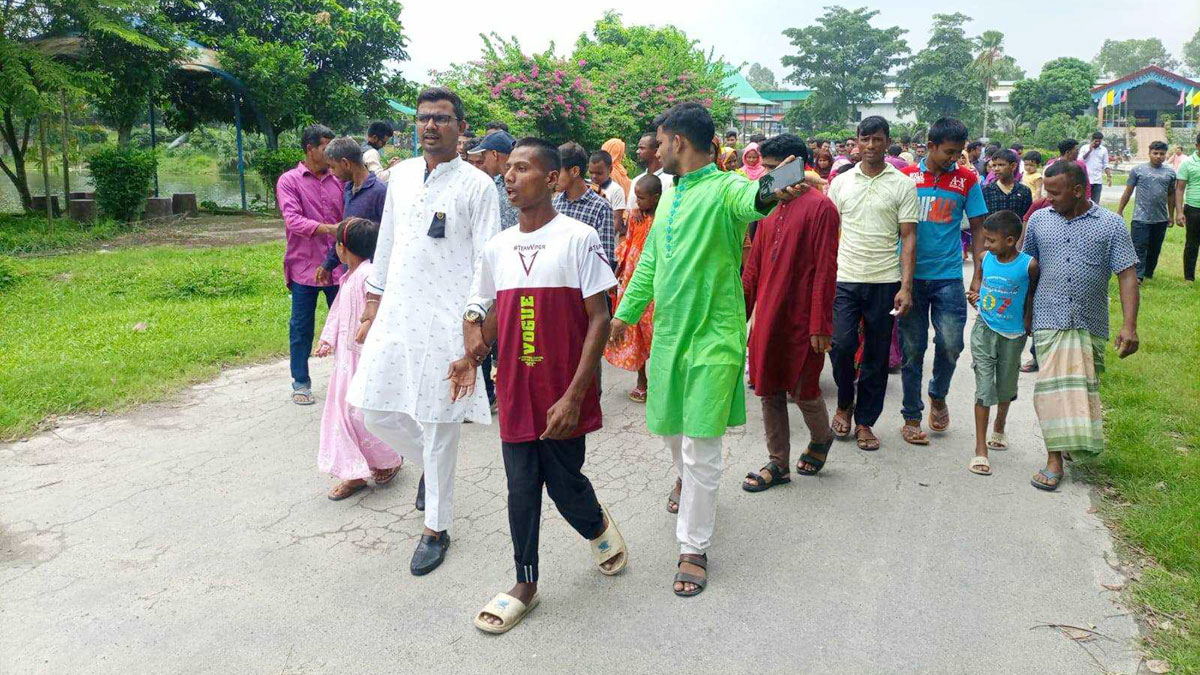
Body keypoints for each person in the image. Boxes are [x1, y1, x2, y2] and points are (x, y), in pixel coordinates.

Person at [610, 102, 806, 596]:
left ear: (677, 141)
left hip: (715, 336)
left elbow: (754, 197)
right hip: (670, 336)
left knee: (701, 443)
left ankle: (693, 547)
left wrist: (779, 183)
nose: (655, 150)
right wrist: (624, 315)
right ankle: (690, 481)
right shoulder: (670, 195)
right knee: (671, 430)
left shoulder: (724, 187)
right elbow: (650, 263)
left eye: (659, 141)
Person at [457, 137, 628, 635]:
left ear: (552, 179)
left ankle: (594, 522)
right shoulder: (498, 246)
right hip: (516, 389)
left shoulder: (578, 238)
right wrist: (471, 354)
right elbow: (494, 311)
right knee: (522, 486)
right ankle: (524, 583)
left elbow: (599, 318)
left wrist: (574, 395)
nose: (509, 177)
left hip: (562, 390)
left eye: (522, 168)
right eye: (507, 169)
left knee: (564, 484)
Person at [349, 87, 500, 576]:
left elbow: (487, 259)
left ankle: (437, 528)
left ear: (461, 128)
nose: (430, 125)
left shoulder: (478, 186)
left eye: (441, 118)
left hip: (447, 321)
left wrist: (475, 319)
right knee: (374, 410)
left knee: (439, 425)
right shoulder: (401, 176)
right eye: (423, 118)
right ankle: (432, 475)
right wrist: (372, 304)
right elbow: (387, 243)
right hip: (398, 313)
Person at [1024, 160, 1138, 491]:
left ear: (1077, 190)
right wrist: (1024, 314)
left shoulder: (1111, 224)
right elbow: (1027, 269)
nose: (1047, 198)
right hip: (1048, 317)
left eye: (1055, 193)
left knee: (1081, 390)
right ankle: (1053, 459)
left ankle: (1068, 441)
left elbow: (1127, 274)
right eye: (1046, 191)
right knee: (1051, 392)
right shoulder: (1039, 221)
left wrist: (1129, 326)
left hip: (1091, 321)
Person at [741, 134, 839, 489]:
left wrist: (820, 324)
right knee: (767, 387)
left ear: (795, 165)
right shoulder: (766, 208)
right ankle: (777, 462)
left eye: (773, 168)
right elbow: (754, 265)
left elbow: (826, 269)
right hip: (769, 313)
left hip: (802, 316)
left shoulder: (821, 208)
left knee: (804, 388)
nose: (766, 176)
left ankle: (821, 437)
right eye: (764, 168)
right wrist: (740, 313)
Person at [827, 115, 918, 453]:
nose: (870, 146)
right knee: (841, 345)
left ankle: (865, 421)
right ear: (857, 141)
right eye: (864, 139)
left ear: (887, 142)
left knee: (877, 356)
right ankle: (844, 404)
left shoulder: (902, 184)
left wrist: (905, 286)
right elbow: (829, 232)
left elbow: (908, 238)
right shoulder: (841, 182)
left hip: (884, 280)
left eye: (877, 139)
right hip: (845, 278)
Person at [896, 118, 986, 446]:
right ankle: (911, 416)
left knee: (951, 344)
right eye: (949, 152)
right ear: (930, 146)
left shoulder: (967, 180)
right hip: (910, 277)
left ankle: (938, 393)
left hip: (948, 277)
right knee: (912, 349)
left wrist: (978, 274)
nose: (954, 158)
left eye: (959, 152)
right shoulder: (906, 177)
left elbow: (978, 227)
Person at [315, 217, 404, 500]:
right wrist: (328, 339)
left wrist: (369, 325)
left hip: (365, 359)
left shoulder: (369, 275)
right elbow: (338, 312)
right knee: (343, 414)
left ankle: (387, 460)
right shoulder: (348, 278)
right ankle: (354, 473)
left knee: (360, 414)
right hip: (345, 361)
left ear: (342, 248)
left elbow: (385, 309)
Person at [964, 211, 1038, 476]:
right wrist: (975, 296)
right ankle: (980, 449)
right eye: (985, 239)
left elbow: (1031, 297)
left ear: (1010, 240)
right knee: (984, 387)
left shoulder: (1029, 266)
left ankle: (1000, 425)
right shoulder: (984, 258)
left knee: (1005, 386)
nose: (985, 245)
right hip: (984, 330)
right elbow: (978, 285)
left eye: (991, 240)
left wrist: (1028, 322)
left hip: (1013, 335)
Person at [277, 124, 343, 406]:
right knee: (301, 327)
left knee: (345, 324)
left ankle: (346, 381)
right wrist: (330, 229)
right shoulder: (289, 181)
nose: (331, 154)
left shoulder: (339, 178)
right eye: (326, 148)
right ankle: (301, 383)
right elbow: (293, 220)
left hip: (339, 266)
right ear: (310, 149)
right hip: (304, 266)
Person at [467, 130, 519, 410]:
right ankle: (491, 393)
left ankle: (508, 392)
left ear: (495, 154)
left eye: (484, 156)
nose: (482, 162)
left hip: (513, 269)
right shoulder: (491, 184)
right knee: (490, 332)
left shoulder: (512, 184)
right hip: (493, 271)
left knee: (511, 334)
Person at [605, 174, 661, 402]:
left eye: (641, 198)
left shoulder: (663, 220)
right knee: (635, 333)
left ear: (656, 198)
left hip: (655, 288)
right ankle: (642, 381)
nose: (637, 202)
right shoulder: (636, 218)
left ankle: (661, 382)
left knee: (655, 335)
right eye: (636, 197)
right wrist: (618, 273)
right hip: (631, 284)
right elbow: (627, 244)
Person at [315, 137, 390, 283]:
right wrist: (328, 265)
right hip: (352, 275)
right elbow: (346, 234)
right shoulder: (349, 190)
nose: (331, 172)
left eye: (333, 167)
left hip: (372, 279)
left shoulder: (380, 192)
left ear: (345, 163)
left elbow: (388, 237)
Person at [1117, 140, 1177, 282]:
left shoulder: (1170, 173)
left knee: (1155, 248)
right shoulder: (1138, 170)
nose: (1158, 156)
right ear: (1149, 153)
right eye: (1155, 153)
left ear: (1165, 155)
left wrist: (1171, 215)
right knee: (1138, 246)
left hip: (1160, 218)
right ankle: (1138, 275)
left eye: (1161, 154)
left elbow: (1171, 195)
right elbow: (1128, 192)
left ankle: (1148, 272)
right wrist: (1120, 211)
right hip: (1140, 217)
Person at [554, 142, 615, 270]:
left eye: (558, 172)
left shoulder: (601, 208)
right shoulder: (555, 203)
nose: (553, 178)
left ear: (575, 171)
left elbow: (604, 259)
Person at [468, 130, 519, 231]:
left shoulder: (522, 182)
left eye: (484, 158)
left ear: (494, 154)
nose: (485, 163)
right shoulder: (496, 182)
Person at [982, 149, 1034, 225]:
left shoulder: (1024, 191)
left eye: (1001, 165)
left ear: (1013, 166)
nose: (996, 169)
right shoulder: (987, 191)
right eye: (994, 165)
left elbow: (1026, 218)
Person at [1174, 132, 1200, 282]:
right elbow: (1179, 189)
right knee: (1192, 244)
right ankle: (1189, 278)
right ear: (1197, 146)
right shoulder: (1187, 163)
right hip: (1194, 209)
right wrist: (1179, 212)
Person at [589, 150, 628, 240]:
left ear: (610, 169)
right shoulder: (586, 186)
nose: (594, 176)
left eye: (599, 173)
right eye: (591, 172)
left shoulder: (616, 190)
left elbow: (616, 221)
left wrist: (604, 239)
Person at [630, 132, 674, 206]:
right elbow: (629, 209)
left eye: (642, 148)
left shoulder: (669, 181)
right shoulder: (636, 181)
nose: (637, 152)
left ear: (656, 151)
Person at [1079, 132, 1112, 204]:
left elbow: (1105, 164)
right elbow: (1080, 161)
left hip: (1097, 181)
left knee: (1096, 203)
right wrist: (1089, 151)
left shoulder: (1103, 150)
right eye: (1096, 141)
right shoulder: (1084, 148)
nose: (1097, 143)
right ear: (1092, 140)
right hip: (1086, 180)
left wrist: (1109, 176)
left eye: (1099, 141)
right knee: (1084, 203)